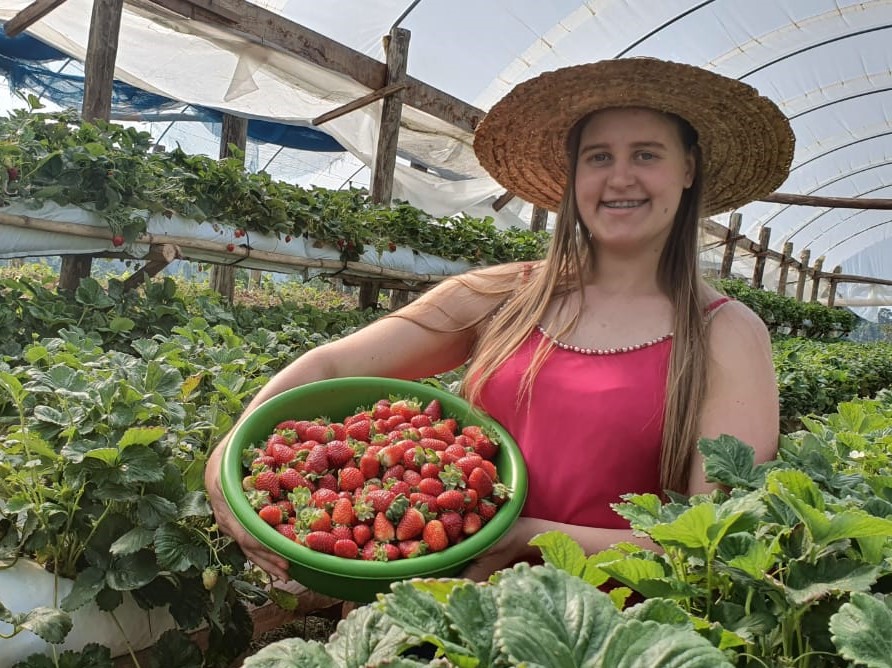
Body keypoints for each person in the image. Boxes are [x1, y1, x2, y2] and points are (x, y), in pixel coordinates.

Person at [204, 57, 794, 585]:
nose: (620, 177)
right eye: (598, 157)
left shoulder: (725, 334)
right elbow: (332, 365)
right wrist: (226, 458)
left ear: (688, 169)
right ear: (572, 177)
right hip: (429, 614)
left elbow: (716, 543)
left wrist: (531, 537)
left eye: (646, 154)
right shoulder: (504, 295)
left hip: (596, 634)